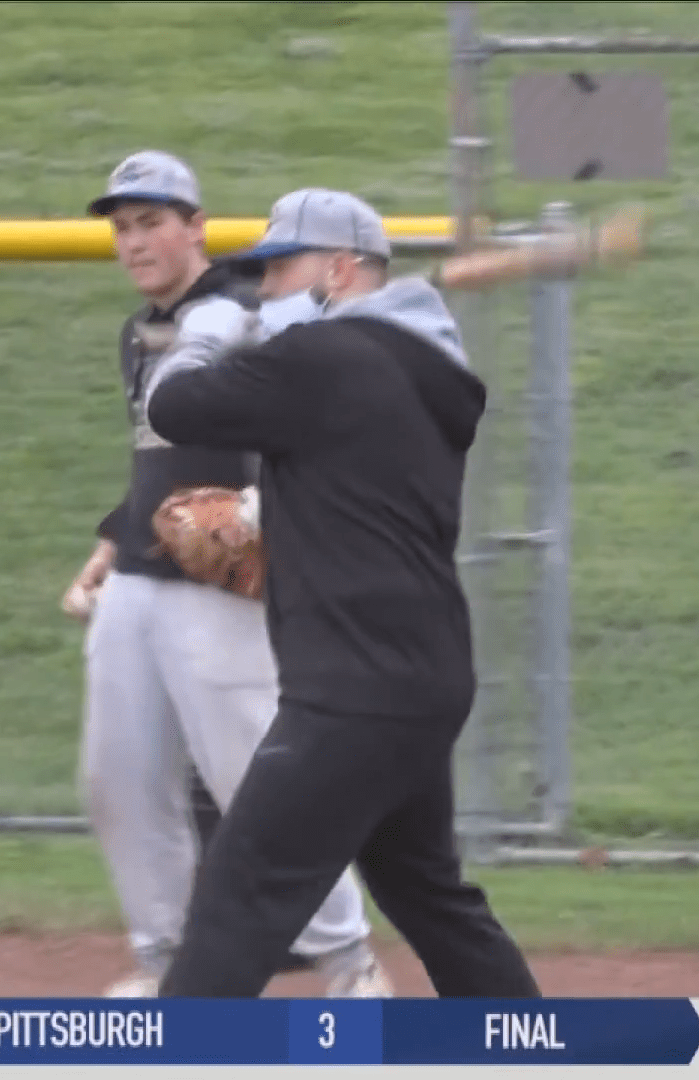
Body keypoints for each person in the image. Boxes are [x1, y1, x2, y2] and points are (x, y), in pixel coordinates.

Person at [140, 188, 544, 999]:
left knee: (237, 900)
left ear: (342, 268)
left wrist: (203, 335)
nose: (264, 290)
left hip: (351, 690)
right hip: (422, 679)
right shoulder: (423, 367)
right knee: (433, 900)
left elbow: (173, 406)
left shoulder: (326, 360)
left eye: (280, 269)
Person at [64, 152, 389, 999]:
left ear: (194, 226)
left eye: (151, 222)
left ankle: (349, 963)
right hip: (139, 582)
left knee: (258, 784)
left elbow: (319, 424)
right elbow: (155, 467)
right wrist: (107, 548)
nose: (134, 242)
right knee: (118, 775)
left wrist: (268, 512)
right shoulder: (139, 333)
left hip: (224, 585)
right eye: (123, 227)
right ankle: (167, 964)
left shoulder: (250, 316)